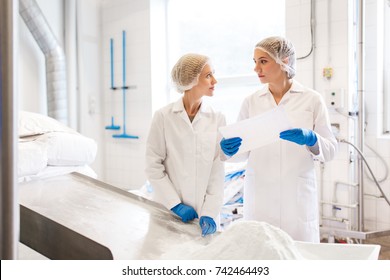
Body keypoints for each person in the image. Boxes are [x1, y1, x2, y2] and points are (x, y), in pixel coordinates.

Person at [220, 36, 337, 243]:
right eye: (254, 62)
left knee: (299, 256)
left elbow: (330, 150)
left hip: (297, 197)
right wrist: (228, 151)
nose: (256, 68)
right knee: (261, 253)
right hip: (261, 195)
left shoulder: (311, 99)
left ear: (284, 61)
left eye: (263, 61)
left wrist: (312, 139)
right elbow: (242, 152)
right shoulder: (251, 102)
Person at [145, 53, 226, 237]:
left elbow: (217, 169)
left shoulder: (218, 118)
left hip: (205, 216)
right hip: (168, 211)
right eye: (208, 76)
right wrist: (174, 203)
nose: (215, 80)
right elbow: (152, 165)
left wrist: (210, 213)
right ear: (190, 81)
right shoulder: (163, 117)